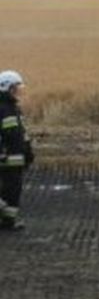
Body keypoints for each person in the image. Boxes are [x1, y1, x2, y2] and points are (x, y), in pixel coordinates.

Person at [0, 70, 33, 231]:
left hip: (15, 159)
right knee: (8, 191)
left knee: (13, 192)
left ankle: (8, 221)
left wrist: (28, 152)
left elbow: (21, 134)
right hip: (7, 160)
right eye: (15, 88)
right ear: (6, 88)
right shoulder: (3, 109)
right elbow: (8, 136)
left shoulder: (13, 108)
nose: (18, 92)